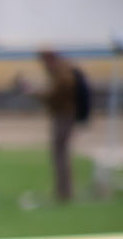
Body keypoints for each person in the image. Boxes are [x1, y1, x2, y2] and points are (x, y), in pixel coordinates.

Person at [29, 49, 89, 203]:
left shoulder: (61, 72)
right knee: (59, 153)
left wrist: (38, 93)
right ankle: (62, 189)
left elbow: (57, 93)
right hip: (63, 114)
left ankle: (64, 191)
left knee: (60, 153)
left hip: (64, 115)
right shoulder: (61, 71)